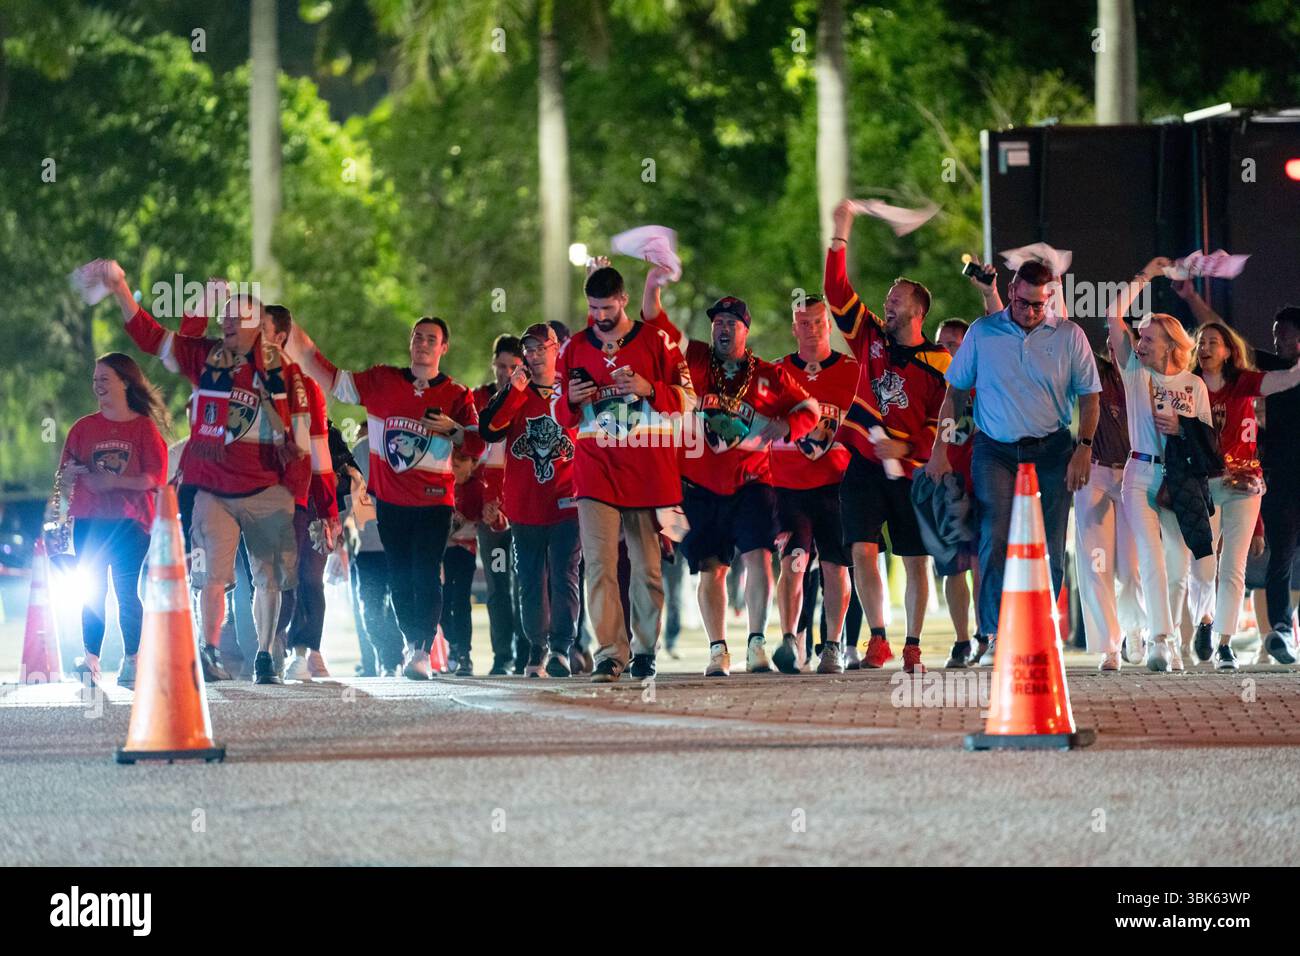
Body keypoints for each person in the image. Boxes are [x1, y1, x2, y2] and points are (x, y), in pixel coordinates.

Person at [103, 259, 310, 686]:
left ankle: (265, 655)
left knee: (267, 577)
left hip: (267, 487)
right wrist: (120, 287)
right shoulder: (205, 357)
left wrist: (300, 488)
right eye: (225, 316)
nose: (228, 323)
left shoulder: (285, 373)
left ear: (259, 324)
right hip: (213, 487)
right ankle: (209, 652)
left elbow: (304, 439)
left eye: (237, 317)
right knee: (209, 576)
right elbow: (151, 337)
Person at [288, 315, 484, 680]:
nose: (423, 344)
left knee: (425, 573)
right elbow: (335, 380)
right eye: (418, 337)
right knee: (399, 579)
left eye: (431, 339)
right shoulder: (382, 380)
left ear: (443, 348)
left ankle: (422, 649)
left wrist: (453, 430)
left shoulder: (457, 394)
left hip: (435, 502)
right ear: (411, 343)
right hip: (391, 504)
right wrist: (298, 340)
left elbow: (477, 443)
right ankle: (412, 643)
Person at [928, 259, 1100, 669]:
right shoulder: (983, 333)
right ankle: (992, 634)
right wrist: (940, 446)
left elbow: (1090, 396)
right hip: (996, 449)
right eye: (1024, 303)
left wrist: (1084, 447)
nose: (1031, 312)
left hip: (1053, 449)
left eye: (1039, 305)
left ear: (1050, 299)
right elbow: (954, 392)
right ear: (1011, 293)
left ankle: (1039, 633)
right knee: (995, 538)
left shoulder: (1070, 335)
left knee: (1050, 548)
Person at [644, 282, 819, 677]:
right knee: (711, 567)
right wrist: (655, 282)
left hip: (752, 482)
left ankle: (757, 643)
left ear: (745, 330)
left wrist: (787, 425)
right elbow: (656, 324)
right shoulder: (695, 359)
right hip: (699, 486)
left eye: (731, 323)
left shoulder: (770, 375)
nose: (722, 328)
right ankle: (718, 650)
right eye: (717, 322)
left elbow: (811, 407)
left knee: (759, 556)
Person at [825, 199, 953, 674]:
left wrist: (909, 447)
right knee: (862, 547)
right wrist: (841, 231)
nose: (887, 303)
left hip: (912, 473)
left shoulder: (941, 363)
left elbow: (947, 424)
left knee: (916, 559)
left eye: (896, 299)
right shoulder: (870, 339)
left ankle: (913, 645)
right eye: (888, 298)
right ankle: (877, 638)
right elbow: (835, 291)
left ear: (917, 310)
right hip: (862, 461)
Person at [554, 264, 695, 683]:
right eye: (593, 308)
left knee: (647, 569)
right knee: (598, 567)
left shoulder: (658, 342)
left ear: (624, 300)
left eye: (607, 307)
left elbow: (688, 400)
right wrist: (572, 400)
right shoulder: (575, 347)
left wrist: (648, 388)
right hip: (595, 474)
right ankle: (610, 654)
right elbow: (559, 414)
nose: (600, 317)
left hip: (649, 474)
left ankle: (645, 649)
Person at [1177, 282, 1300, 666]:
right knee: (1217, 564)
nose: (1279, 342)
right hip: (1235, 479)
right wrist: (1192, 297)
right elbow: (1219, 331)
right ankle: (1224, 623)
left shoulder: (1251, 378)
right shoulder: (1197, 383)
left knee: (1239, 564)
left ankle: (1230, 639)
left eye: (1287, 336)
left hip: (1250, 482)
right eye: (1277, 336)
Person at [1105, 258, 1213, 672]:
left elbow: (1207, 442)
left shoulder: (1193, 385)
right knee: (1150, 557)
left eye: (1148, 338)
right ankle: (1160, 642)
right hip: (1139, 474)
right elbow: (1114, 314)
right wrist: (1145, 277)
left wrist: (1180, 427)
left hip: (1180, 478)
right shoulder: (1134, 372)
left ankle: (1175, 639)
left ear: (1171, 343)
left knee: (1178, 566)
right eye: (1139, 337)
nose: (1140, 343)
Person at [58, 353, 169, 687]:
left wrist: (114, 482)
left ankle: (132, 660)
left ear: (125, 382)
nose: (98, 385)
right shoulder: (82, 428)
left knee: (125, 590)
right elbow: (62, 478)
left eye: (105, 378)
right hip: (90, 520)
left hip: (130, 523)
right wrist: (68, 477)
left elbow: (156, 478)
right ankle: (90, 660)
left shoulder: (143, 428)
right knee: (91, 590)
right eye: (95, 379)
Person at [478, 322, 581, 677]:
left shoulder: (571, 389)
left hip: (568, 501)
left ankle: (561, 648)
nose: (535, 356)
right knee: (530, 580)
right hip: (524, 505)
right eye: (529, 350)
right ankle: (536, 647)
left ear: (556, 349)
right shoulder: (515, 391)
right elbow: (488, 429)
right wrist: (513, 391)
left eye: (542, 348)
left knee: (565, 574)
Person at [769, 294, 858, 673]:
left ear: (829, 326)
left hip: (836, 485)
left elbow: (866, 423)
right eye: (804, 323)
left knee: (836, 567)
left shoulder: (853, 371)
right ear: (794, 328)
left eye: (819, 322)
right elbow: (761, 426)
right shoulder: (776, 372)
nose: (812, 329)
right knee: (794, 563)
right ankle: (790, 638)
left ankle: (833, 646)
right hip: (788, 486)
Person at [260, 306, 340, 682]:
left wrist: (328, 509)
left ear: (280, 337)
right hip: (254, 497)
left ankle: (304, 649)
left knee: (308, 576)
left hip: (301, 498)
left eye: (261, 329)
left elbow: (321, 452)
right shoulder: (237, 379)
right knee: (273, 578)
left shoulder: (305, 388)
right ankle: (268, 644)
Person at [1073, 333, 1147, 671]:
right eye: (1113, 343)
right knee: (1096, 562)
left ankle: (1136, 629)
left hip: (1134, 474)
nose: (1119, 350)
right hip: (1097, 472)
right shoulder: (1095, 373)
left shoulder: (1145, 378)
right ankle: (1109, 646)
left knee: (1131, 566)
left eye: (1126, 344)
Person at [934, 314, 990, 667]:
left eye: (952, 345)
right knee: (953, 565)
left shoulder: (984, 381)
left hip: (983, 479)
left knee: (982, 562)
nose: (945, 351)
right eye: (940, 345)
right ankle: (960, 640)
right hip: (948, 483)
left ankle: (985, 634)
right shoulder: (932, 385)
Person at [472, 335, 527, 674]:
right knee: (497, 585)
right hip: (487, 511)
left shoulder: (528, 398)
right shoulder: (479, 399)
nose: (507, 373)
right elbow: (468, 454)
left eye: (513, 367)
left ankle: (528, 653)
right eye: (502, 366)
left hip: (521, 510)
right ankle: (501, 655)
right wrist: (483, 503)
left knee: (527, 584)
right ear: (493, 364)